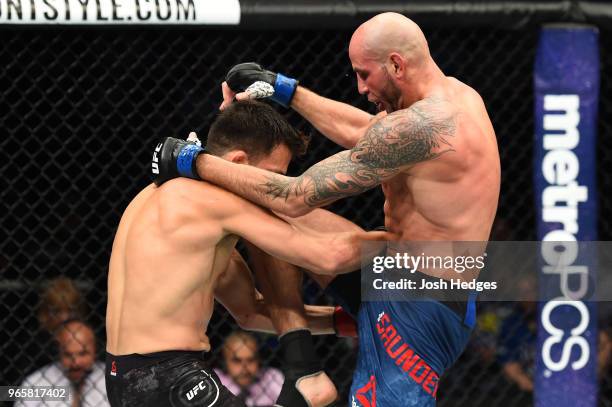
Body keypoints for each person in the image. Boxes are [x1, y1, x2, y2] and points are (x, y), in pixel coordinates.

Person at [152, 11, 500, 406]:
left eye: (364, 74)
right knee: (259, 212)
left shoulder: (428, 125)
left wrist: (194, 161)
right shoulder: (448, 99)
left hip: (418, 304)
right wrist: (284, 90)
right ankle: (302, 365)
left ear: (397, 65)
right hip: (394, 271)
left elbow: (296, 196)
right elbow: (369, 133)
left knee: (274, 204)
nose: (360, 87)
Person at [106, 100, 382, 407]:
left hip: (124, 377)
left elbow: (250, 311)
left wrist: (338, 322)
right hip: (170, 377)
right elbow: (327, 256)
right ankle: (306, 379)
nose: (273, 187)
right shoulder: (211, 201)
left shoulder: (152, 197)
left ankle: (305, 379)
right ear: (238, 162)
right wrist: (407, 238)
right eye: (273, 175)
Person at [16, 319, 109, 407]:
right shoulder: (35, 384)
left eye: (82, 354)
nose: (75, 363)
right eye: (68, 355)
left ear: (95, 350)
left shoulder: (112, 380)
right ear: (58, 352)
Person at [214, 331, 284, 406]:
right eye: (237, 361)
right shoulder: (215, 380)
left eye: (251, 360)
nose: (245, 368)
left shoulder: (271, 376)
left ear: (259, 359)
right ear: (224, 361)